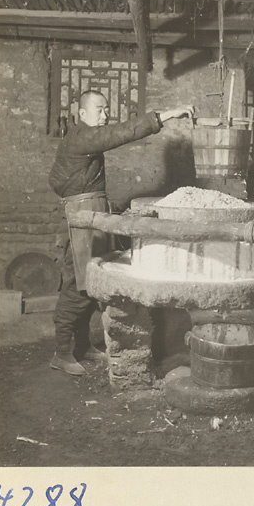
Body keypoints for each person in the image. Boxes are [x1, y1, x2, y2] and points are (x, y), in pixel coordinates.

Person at [48, 90, 194, 376]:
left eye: (106, 110)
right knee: (77, 288)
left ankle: (82, 346)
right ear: (83, 113)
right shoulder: (82, 137)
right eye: (100, 110)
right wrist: (166, 114)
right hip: (82, 217)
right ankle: (62, 353)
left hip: (91, 211)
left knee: (92, 285)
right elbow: (122, 133)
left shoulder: (84, 138)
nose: (105, 116)